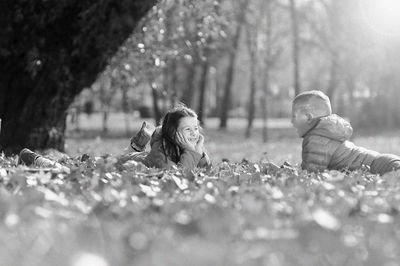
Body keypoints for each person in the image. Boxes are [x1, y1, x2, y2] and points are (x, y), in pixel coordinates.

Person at [291, 90, 400, 175]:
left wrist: (283, 173)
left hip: (380, 169)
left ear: (308, 117)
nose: (292, 121)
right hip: (384, 162)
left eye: (294, 116)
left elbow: (311, 174)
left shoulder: (315, 139)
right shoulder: (326, 132)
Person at [121, 106, 211, 171]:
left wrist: (201, 154)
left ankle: (139, 144)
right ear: (173, 132)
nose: (194, 133)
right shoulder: (161, 151)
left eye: (195, 128)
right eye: (188, 129)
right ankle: (137, 145)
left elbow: (205, 169)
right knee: (133, 155)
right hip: (126, 162)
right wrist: (192, 152)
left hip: (145, 156)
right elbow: (179, 177)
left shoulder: (190, 145)